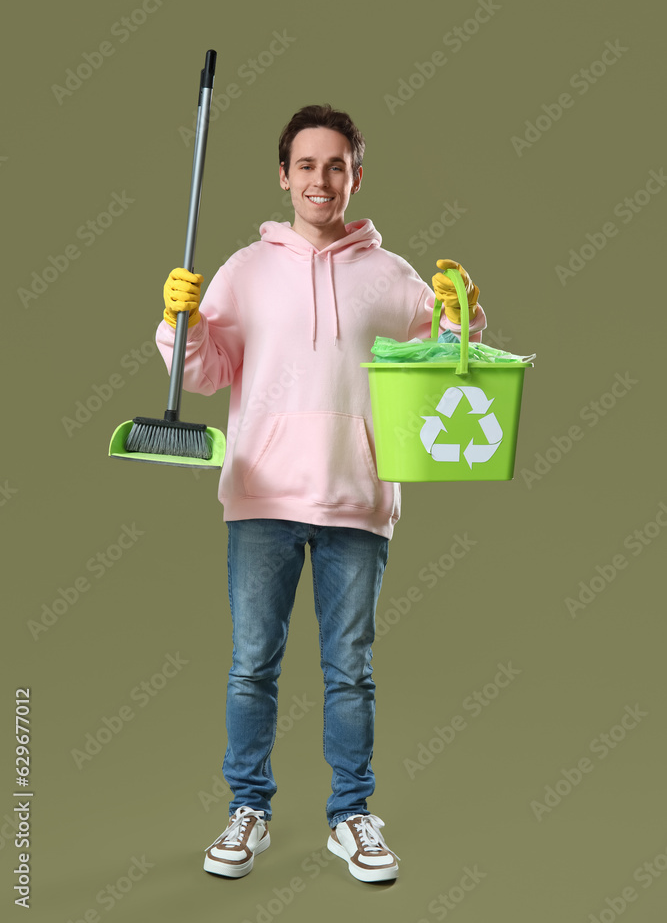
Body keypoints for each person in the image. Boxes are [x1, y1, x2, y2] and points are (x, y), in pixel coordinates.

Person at [155, 104, 486, 884]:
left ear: (355, 177)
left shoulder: (392, 276)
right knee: (250, 667)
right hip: (262, 495)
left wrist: (460, 313)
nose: (320, 179)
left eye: (335, 165)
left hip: (356, 497)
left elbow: (443, 369)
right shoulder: (243, 269)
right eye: (305, 165)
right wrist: (181, 322)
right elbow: (201, 375)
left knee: (350, 672)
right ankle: (249, 810)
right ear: (282, 176)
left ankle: (352, 817)